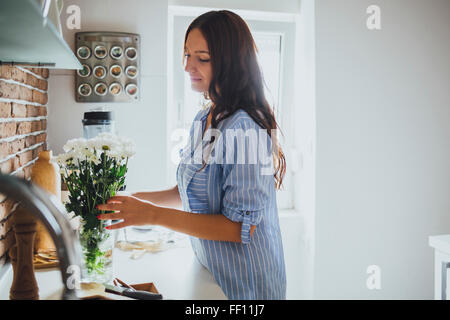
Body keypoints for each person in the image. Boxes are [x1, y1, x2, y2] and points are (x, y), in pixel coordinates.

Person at [97, 10, 287, 300]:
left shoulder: (247, 129)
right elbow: (185, 190)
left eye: (203, 57)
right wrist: (132, 201)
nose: (188, 66)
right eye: (186, 55)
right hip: (211, 271)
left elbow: (239, 227)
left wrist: (150, 214)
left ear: (231, 62)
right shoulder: (205, 117)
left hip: (246, 286)